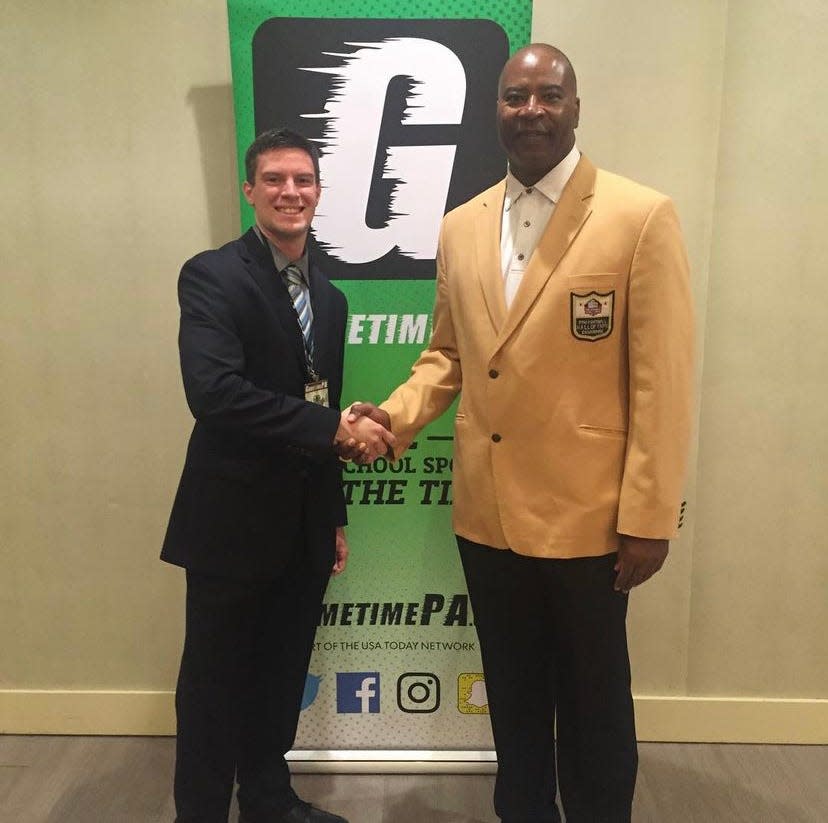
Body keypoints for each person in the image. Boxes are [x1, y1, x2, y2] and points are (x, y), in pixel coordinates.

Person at [351, 44, 694, 822]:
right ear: (495, 110)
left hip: (591, 522)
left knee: (594, 703)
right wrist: (393, 418)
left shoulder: (639, 216)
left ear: (576, 106)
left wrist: (649, 515)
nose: (530, 110)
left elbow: (662, 382)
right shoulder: (460, 226)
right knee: (511, 694)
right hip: (488, 516)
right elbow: (448, 355)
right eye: (514, 97)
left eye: (548, 94)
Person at [161, 128, 393, 823]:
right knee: (212, 683)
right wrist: (331, 429)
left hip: (301, 530)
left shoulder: (333, 298)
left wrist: (334, 517)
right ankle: (199, 811)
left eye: (303, 180)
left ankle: (267, 797)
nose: (290, 192)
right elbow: (214, 392)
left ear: (319, 191)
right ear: (250, 190)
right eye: (275, 180)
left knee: (279, 674)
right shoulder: (211, 275)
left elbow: (324, 405)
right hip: (228, 525)